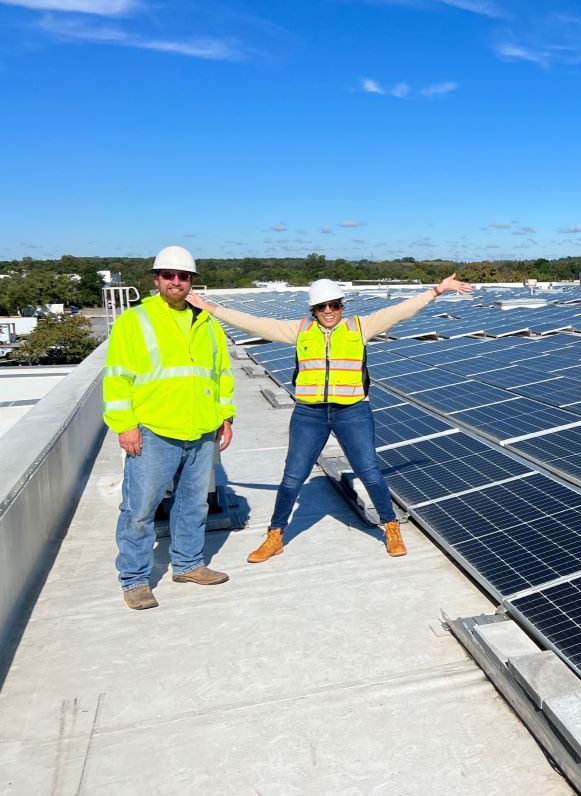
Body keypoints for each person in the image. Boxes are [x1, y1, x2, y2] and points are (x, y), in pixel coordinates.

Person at [186, 274, 473, 561]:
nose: (328, 311)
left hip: (352, 412)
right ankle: (275, 535)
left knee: (370, 472)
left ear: (341, 306)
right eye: (322, 306)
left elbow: (401, 311)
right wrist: (209, 307)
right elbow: (253, 323)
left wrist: (437, 290)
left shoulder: (359, 327)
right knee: (292, 476)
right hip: (309, 414)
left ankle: (391, 528)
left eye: (334, 305)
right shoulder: (300, 330)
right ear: (313, 309)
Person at [103, 246, 236, 610]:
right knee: (140, 509)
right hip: (154, 430)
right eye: (168, 275)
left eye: (183, 276)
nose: (176, 281)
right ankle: (134, 580)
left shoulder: (208, 323)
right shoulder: (135, 321)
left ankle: (189, 564)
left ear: (192, 280)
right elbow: (117, 376)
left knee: (193, 504)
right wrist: (125, 424)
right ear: (156, 279)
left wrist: (225, 416)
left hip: (201, 428)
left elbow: (221, 374)